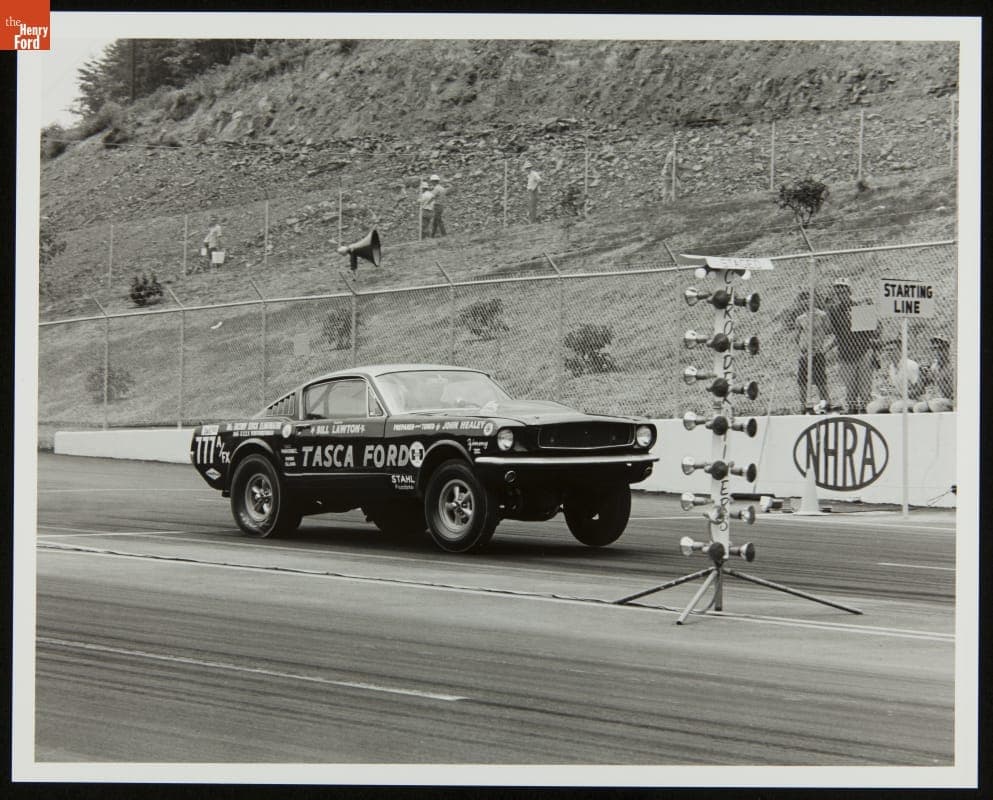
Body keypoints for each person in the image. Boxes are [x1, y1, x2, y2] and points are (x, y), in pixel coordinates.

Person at [826, 277, 876, 413]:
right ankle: (853, 414)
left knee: (865, 390)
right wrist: (827, 349)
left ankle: (867, 414)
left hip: (863, 351)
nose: (840, 293)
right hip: (845, 353)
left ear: (849, 291)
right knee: (850, 390)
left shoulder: (860, 306)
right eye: (837, 291)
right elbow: (836, 333)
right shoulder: (834, 310)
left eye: (843, 290)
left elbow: (871, 332)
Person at [793, 291, 835, 413]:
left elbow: (829, 331)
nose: (805, 302)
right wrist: (801, 349)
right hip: (805, 354)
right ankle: (804, 404)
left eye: (808, 299)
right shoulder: (800, 318)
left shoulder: (822, 315)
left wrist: (824, 348)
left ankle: (824, 403)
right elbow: (797, 336)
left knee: (820, 379)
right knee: (802, 380)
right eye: (802, 300)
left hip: (817, 352)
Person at [866, 338, 923, 413]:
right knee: (872, 407)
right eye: (887, 350)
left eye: (892, 350)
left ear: (901, 351)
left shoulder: (910, 365)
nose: (888, 352)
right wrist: (888, 397)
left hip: (914, 400)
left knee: (896, 407)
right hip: (898, 398)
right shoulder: (891, 367)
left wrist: (899, 396)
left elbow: (919, 391)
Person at [913, 335, 955, 412]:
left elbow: (951, 392)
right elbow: (921, 389)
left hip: (955, 400)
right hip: (939, 400)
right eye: (934, 349)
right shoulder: (934, 366)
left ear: (947, 349)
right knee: (919, 407)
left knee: (935, 405)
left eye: (940, 348)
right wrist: (922, 375)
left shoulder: (953, 365)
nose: (937, 352)